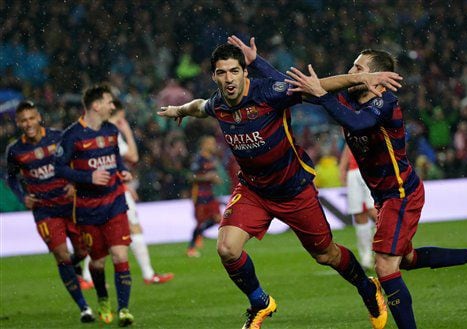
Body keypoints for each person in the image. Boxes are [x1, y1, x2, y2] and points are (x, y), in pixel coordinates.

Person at [157, 42, 404, 329]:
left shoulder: (268, 93)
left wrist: (360, 78)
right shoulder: (218, 103)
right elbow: (199, 106)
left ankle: (366, 287)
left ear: (244, 73)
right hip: (254, 191)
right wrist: (179, 110)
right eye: (221, 73)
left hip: (293, 190)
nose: (229, 79)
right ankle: (260, 302)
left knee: (326, 255)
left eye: (234, 71)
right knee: (227, 249)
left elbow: (316, 85)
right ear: (214, 76)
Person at [284, 49, 467, 329]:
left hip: (401, 193)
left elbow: (358, 122)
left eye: (358, 68)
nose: (350, 72)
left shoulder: (386, 103)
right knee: (407, 259)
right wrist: (256, 65)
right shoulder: (350, 96)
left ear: (375, 78)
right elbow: (298, 91)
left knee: (385, 267)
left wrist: (323, 94)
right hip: (385, 196)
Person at [5, 100, 95, 323]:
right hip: (44, 211)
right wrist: (22, 197)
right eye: (23, 120)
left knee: (84, 251)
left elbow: (77, 161)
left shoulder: (58, 137)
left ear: (38, 118)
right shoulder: (15, 150)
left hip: (70, 205)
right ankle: (84, 307)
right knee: (61, 256)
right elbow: (11, 178)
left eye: (31, 118)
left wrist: (75, 184)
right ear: (18, 123)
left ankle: (74, 263)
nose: (28, 124)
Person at [55, 84, 135, 327]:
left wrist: (122, 172)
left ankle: (124, 310)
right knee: (98, 263)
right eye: (109, 102)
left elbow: (116, 159)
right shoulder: (72, 135)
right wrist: (87, 178)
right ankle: (102, 298)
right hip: (88, 209)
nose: (113, 106)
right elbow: (59, 168)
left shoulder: (111, 130)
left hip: (114, 203)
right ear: (96, 105)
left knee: (120, 255)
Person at [108, 99, 175, 284]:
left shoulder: (98, 133)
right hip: (114, 189)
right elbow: (133, 156)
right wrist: (127, 131)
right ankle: (148, 274)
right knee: (132, 227)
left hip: (112, 187)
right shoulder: (111, 132)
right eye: (122, 117)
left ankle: (87, 276)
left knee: (103, 230)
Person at [339, 145, 377, 271]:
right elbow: (349, 143)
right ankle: (366, 258)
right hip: (353, 171)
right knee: (358, 214)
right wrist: (343, 166)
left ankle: (389, 252)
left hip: (370, 168)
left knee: (375, 212)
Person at [187, 135, 223, 258]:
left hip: (210, 193)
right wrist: (207, 177)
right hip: (200, 194)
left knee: (218, 218)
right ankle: (191, 248)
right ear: (204, 145)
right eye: (210, 143)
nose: (213, 145)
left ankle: (200, 235)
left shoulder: (212, 159)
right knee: (200, 222)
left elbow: (213, 175)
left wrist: (216, 179)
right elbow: (192, 177)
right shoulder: (199, 158)